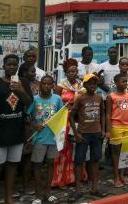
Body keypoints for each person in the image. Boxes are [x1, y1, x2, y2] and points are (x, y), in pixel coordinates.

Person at [0, 54, 33, 204]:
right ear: (3, 66)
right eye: (9, 64)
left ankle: (8, 198)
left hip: (16, 132)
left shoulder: (23, 82)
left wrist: (21, 91)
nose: (12, 67)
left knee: (12, 166)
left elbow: (29, 102)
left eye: (15, 64)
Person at [69, 74, 106, 201]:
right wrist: (76, 133)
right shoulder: (80, 98)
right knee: (79, 161)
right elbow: (71, 116)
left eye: (94, 84)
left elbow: (102, 114)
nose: (92, 86)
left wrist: (103, 130)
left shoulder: (99, 98)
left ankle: (95, 188)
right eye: (89, 83)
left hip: (96, 134)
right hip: (83, 135)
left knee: (95, 160)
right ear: (84, 85)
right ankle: (78, 190)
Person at [27, 75, 63, 203]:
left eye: (49, 84)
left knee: (50, 164)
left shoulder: (57, 99)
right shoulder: (34, 99)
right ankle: (38, 195)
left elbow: (61, 116)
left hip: (52, 138)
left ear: (53, 86)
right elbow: (27, 116)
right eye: (44, 84)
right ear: (39, 85)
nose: (46, 86)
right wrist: (34, 125)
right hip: (39, 139)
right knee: (37, 165)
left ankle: (47, 192)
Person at [51, 59, 83, 189]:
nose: (72, 73)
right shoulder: (60, 86)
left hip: (77, 121)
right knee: (63, 150)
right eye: (69, 71)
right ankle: (61, 179)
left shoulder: (81, 86)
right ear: (65, 72)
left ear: (77, 72)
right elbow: (55, 104)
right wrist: (67, 106)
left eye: (74, 71)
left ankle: (76, 177)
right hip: (64, 121)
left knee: (77, 150)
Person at [105, 73, 128, 188]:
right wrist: (108, 130)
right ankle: (116, 177)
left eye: (126, 81)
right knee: (116, 153)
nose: (125, 83)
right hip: (116, 127)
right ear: (116, 83)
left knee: (125, 152)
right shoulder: (111, 96)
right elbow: (108, 114)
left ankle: (122, 175)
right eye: (123, 81)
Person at [18, 62, 39, 195]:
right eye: (32, 71)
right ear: (24, 73)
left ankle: (28, 183)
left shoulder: (36, 84)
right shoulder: (22, 84)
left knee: (31, 154)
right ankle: (24, 184)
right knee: (25, 155)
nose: (34, 74)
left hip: (37, 122)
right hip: (26, 122)